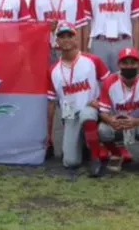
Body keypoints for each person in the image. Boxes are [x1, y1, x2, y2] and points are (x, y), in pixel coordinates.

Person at [46, 22, 110, 178]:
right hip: (70, 114)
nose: (66, 39)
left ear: (76, 38)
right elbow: (51, 103)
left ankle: (96, 157)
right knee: (70, 162)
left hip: (91, 110)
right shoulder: (52, 70)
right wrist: (49, 137)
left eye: (70, 35)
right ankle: (84, 146)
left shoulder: (92, 60)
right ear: (57, 42)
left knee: (87, 115)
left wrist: (101, 100)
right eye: (62, 36)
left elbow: (111, 85)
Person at [98, 47, 139, 175]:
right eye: (125, 63)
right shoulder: (109, 81)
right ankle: (116, 154)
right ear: (119, 64)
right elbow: (102, 112)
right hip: (118, 123)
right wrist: (110, 120)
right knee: (102, 130)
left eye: (133, 63)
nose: (129, 66)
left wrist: (136, 121)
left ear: (138, 64)